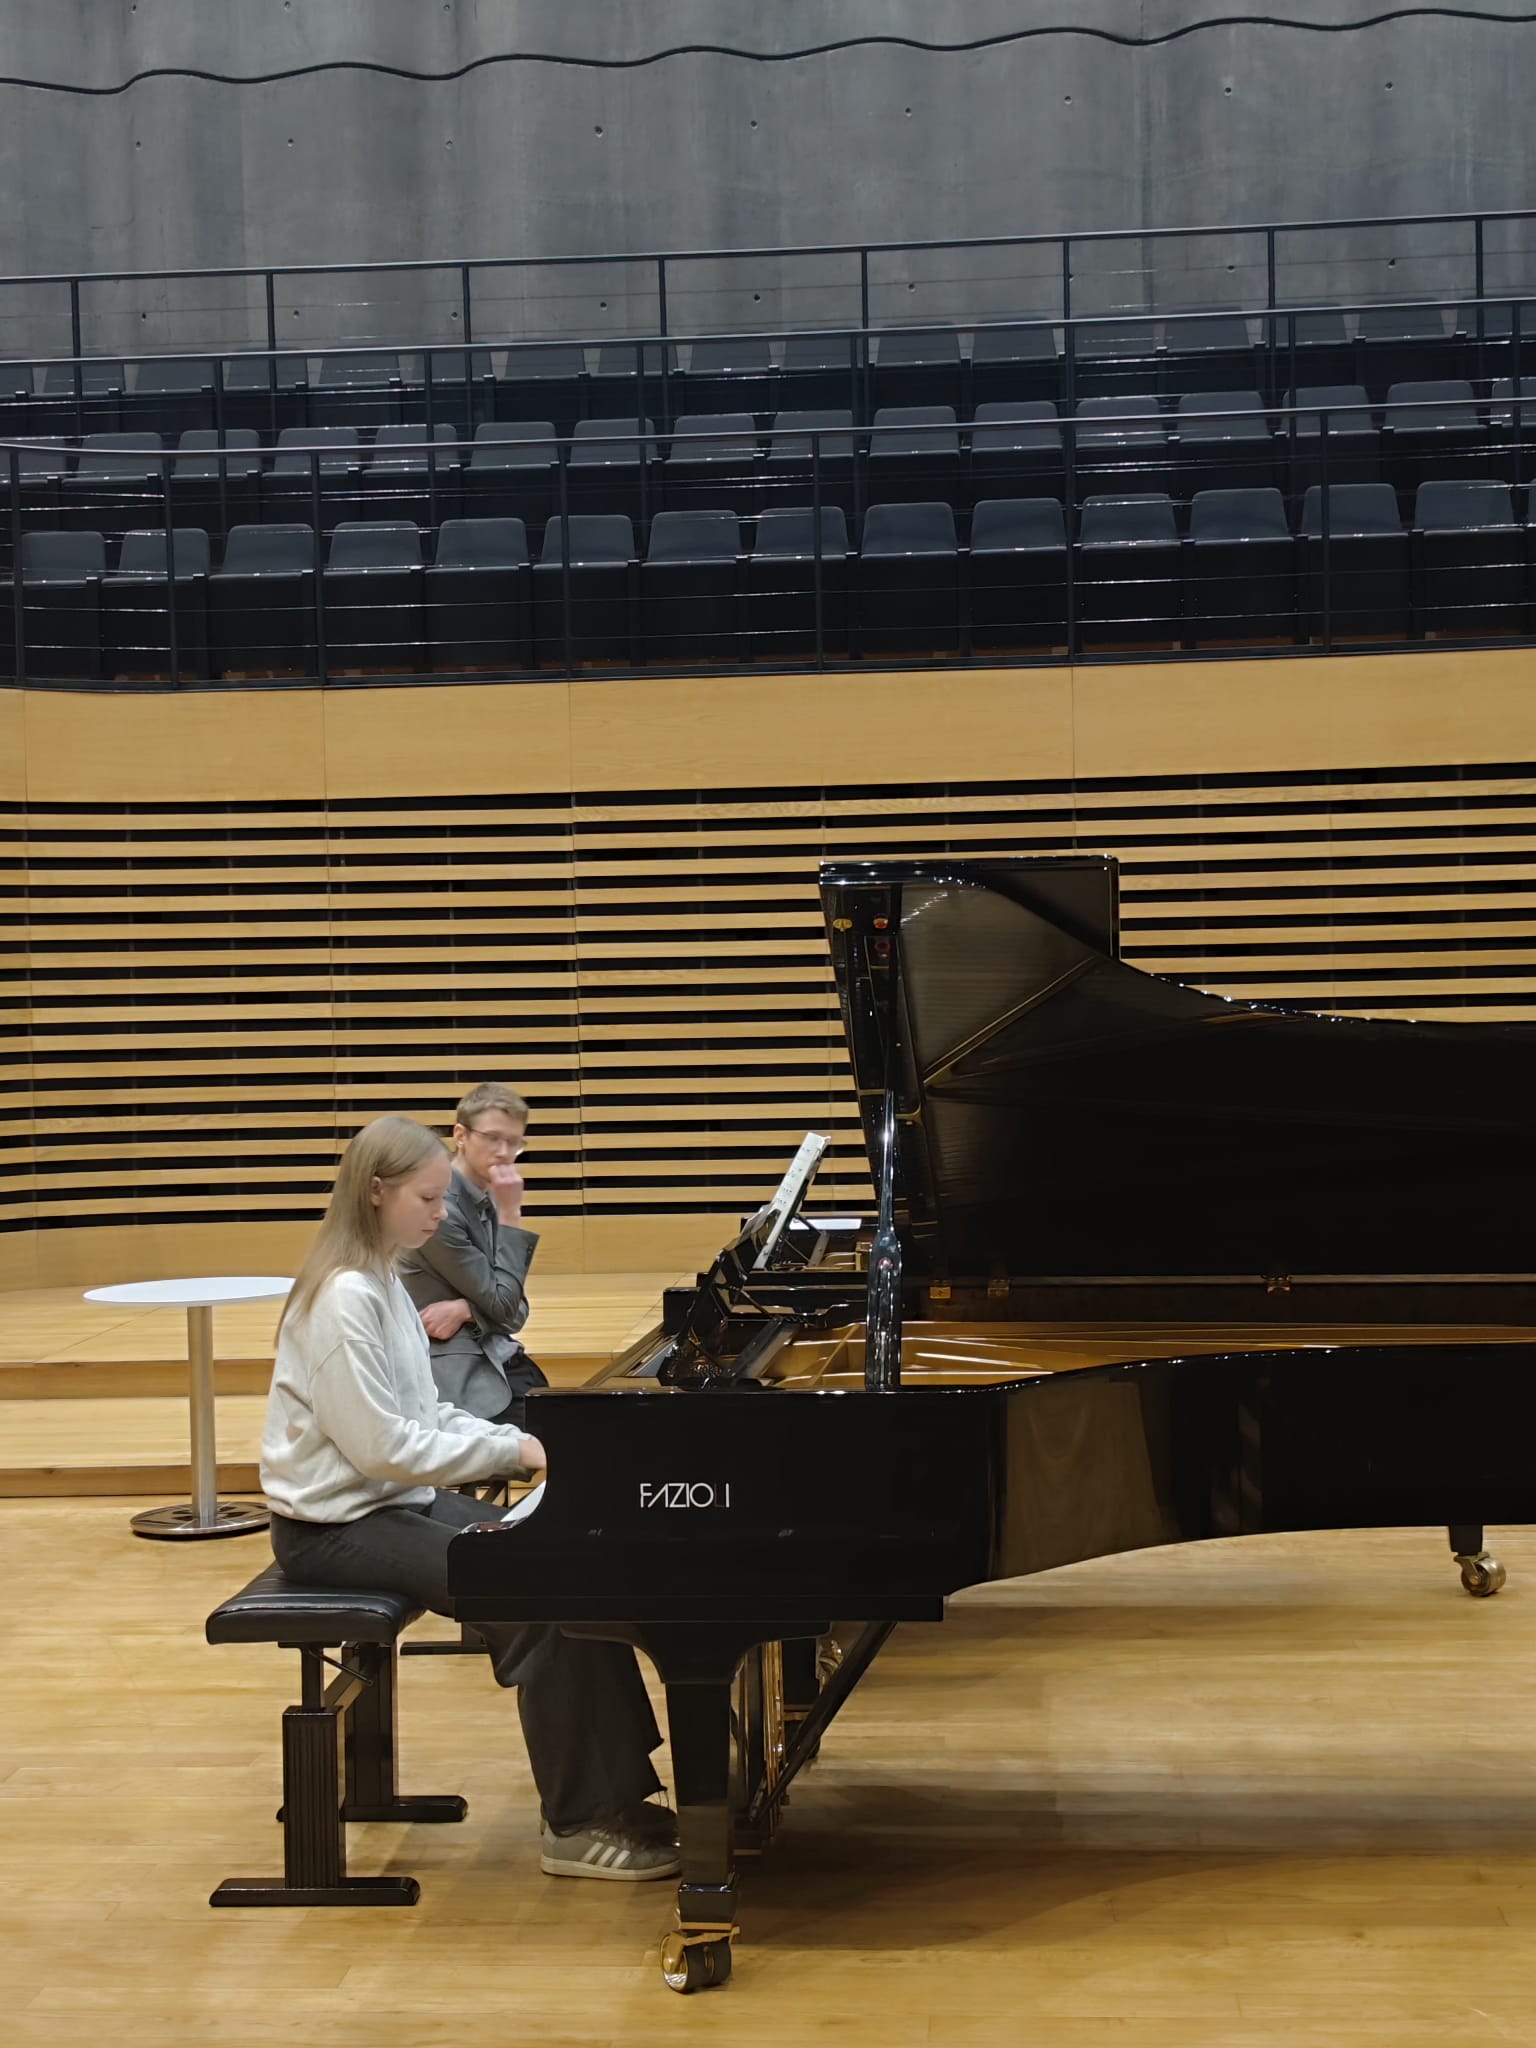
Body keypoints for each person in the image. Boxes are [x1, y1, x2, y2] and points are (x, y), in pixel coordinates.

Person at [260, 1113, 679, 1880]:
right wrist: (514, 1450)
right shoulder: (345, 1298)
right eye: (427, 1199)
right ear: (377, 1192)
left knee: (570, 1566)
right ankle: (578, 1824)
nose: (441, 1213)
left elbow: (425, 1413)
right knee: (534, 1598)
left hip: (387, 1503)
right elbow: (384, 1447)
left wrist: (528, 1443)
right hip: (332, 1526)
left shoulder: (381, 1279)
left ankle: (618, 1795)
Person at [397, 1082, 549, 1430]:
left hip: (495, 1353)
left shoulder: (485, 1193)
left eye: (514, 1142)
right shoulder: (441, 1209)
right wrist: (511, 1213)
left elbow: (516, 1309)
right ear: (460, 1135)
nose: (504, 1152)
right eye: (493, 1138)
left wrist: (466, 1309)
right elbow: (505, 1306)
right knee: (554, 1434)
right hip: (457, 1372)